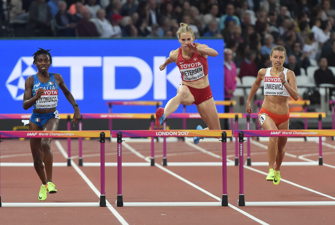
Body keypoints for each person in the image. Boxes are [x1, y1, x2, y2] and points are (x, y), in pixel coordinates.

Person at [23, 48, 80, 201]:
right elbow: (25, 105)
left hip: (52, 116)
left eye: (46, 60)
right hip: (35, 118)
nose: (43, 63)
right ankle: (44, 184)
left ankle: (50, 181)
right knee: (36, 159)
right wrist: (36, 97)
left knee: (46, 144)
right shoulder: (30, 80)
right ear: (35, 63)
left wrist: (76, 108)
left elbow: (67, 93)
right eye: (40, 61)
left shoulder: (57, 78)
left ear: (50, 62)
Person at [155, 23, 220, 145]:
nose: (186, 43)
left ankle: (200, 133)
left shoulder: (200, 49)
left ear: (193, 39)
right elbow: (170, 58)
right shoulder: (176, 54)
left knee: (216, 132)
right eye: (183, 40)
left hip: (204, 93)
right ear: (179, 40)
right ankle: (163, 115)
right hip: (188, 89)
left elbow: (215, 53)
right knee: (181, 93)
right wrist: (164, 64)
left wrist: (197, 49)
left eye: (188, 39)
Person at [246, 45, 299, 185]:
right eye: (275, 57)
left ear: (285, 59)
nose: (277, 60)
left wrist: (284, 82)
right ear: (270, 58)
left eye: (281, 57)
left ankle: (277, 169)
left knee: (281, 147)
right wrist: (248, 101)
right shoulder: (263, 72)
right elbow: (256, 84)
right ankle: (270, 169)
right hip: (266, 113)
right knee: (273, 135)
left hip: (283, 117)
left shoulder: (289, 74)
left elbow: (296, 97)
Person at [224, 48, 237, 129]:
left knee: (228, 113)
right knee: (223, 113)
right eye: (226, 54)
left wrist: (233, 89)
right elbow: (221, 80)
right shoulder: (222, 66)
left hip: (230, 94)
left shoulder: (233, 65)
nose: (228, 56)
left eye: (229, 54)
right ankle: (224, 129)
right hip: (223, 94)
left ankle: (228, 129)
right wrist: (226, 89)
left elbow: (235, 79)